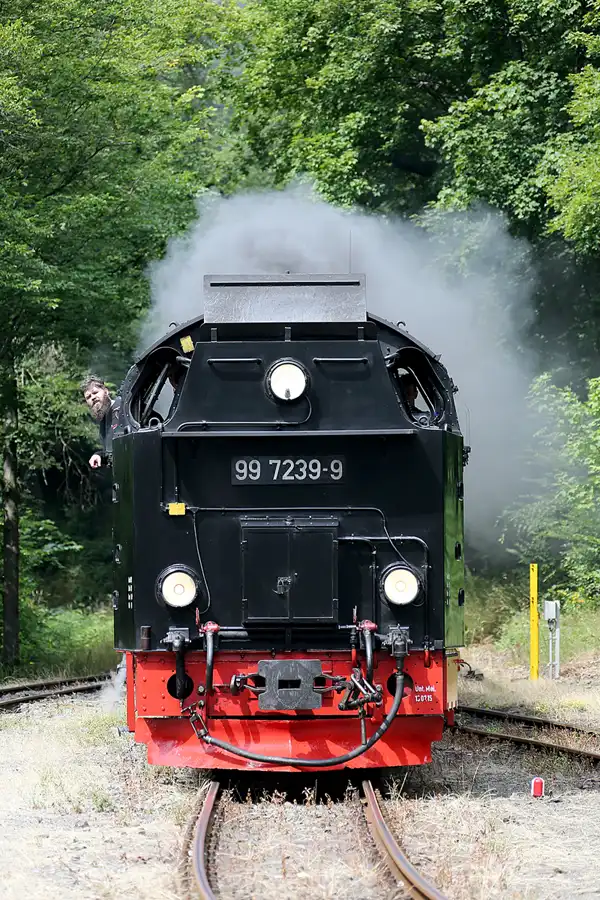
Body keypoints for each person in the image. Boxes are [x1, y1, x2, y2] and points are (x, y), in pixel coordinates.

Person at [82, 376, 120, 468]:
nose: (93, 397)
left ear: (106, 391)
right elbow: (111, 453)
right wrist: (99, 455)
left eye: (95, 392)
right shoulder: (103, 419)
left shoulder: (123, 408)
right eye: (88, 397)